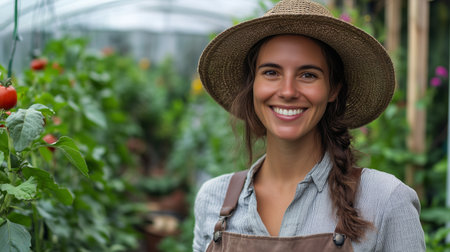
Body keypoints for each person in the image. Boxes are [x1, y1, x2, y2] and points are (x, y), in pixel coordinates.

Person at [193, 0, 426, 251]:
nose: (288, 91)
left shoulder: (385, 200)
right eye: (271, 72)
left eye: (308, 75)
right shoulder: (213, 200)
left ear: (333, 89)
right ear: (253, 86)